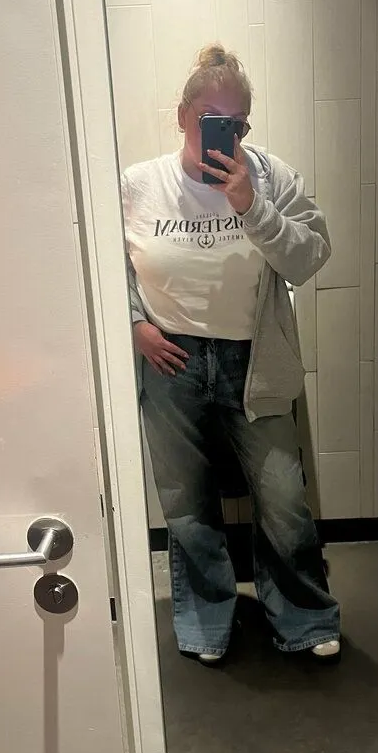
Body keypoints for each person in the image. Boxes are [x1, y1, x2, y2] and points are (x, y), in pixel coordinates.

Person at [121, 43, 341, 665]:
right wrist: (134, 324)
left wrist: (250, 205)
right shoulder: (138, 184)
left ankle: (304, 617)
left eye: (236, 124)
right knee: (187, 502)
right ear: (182, 116)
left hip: (255, 359)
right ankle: (204, 620)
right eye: (209, 118)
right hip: (171, 359)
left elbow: (309, 257)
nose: (225, 133)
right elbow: (105, 263)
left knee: (283, 500)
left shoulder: (270, 178)